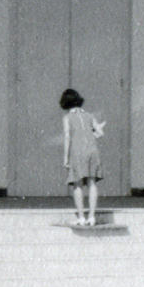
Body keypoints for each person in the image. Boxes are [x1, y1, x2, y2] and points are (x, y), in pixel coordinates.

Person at [60, 88, 105, 227]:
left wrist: (65, 158)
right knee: (92, 182)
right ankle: (91, 217)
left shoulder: (67, 118)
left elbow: (67, 137)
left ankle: (81, 217)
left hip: (77, 151)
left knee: (77, 183)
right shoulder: (90, 116)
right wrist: (90, 136)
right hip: (92, 150)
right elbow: (100, 133)